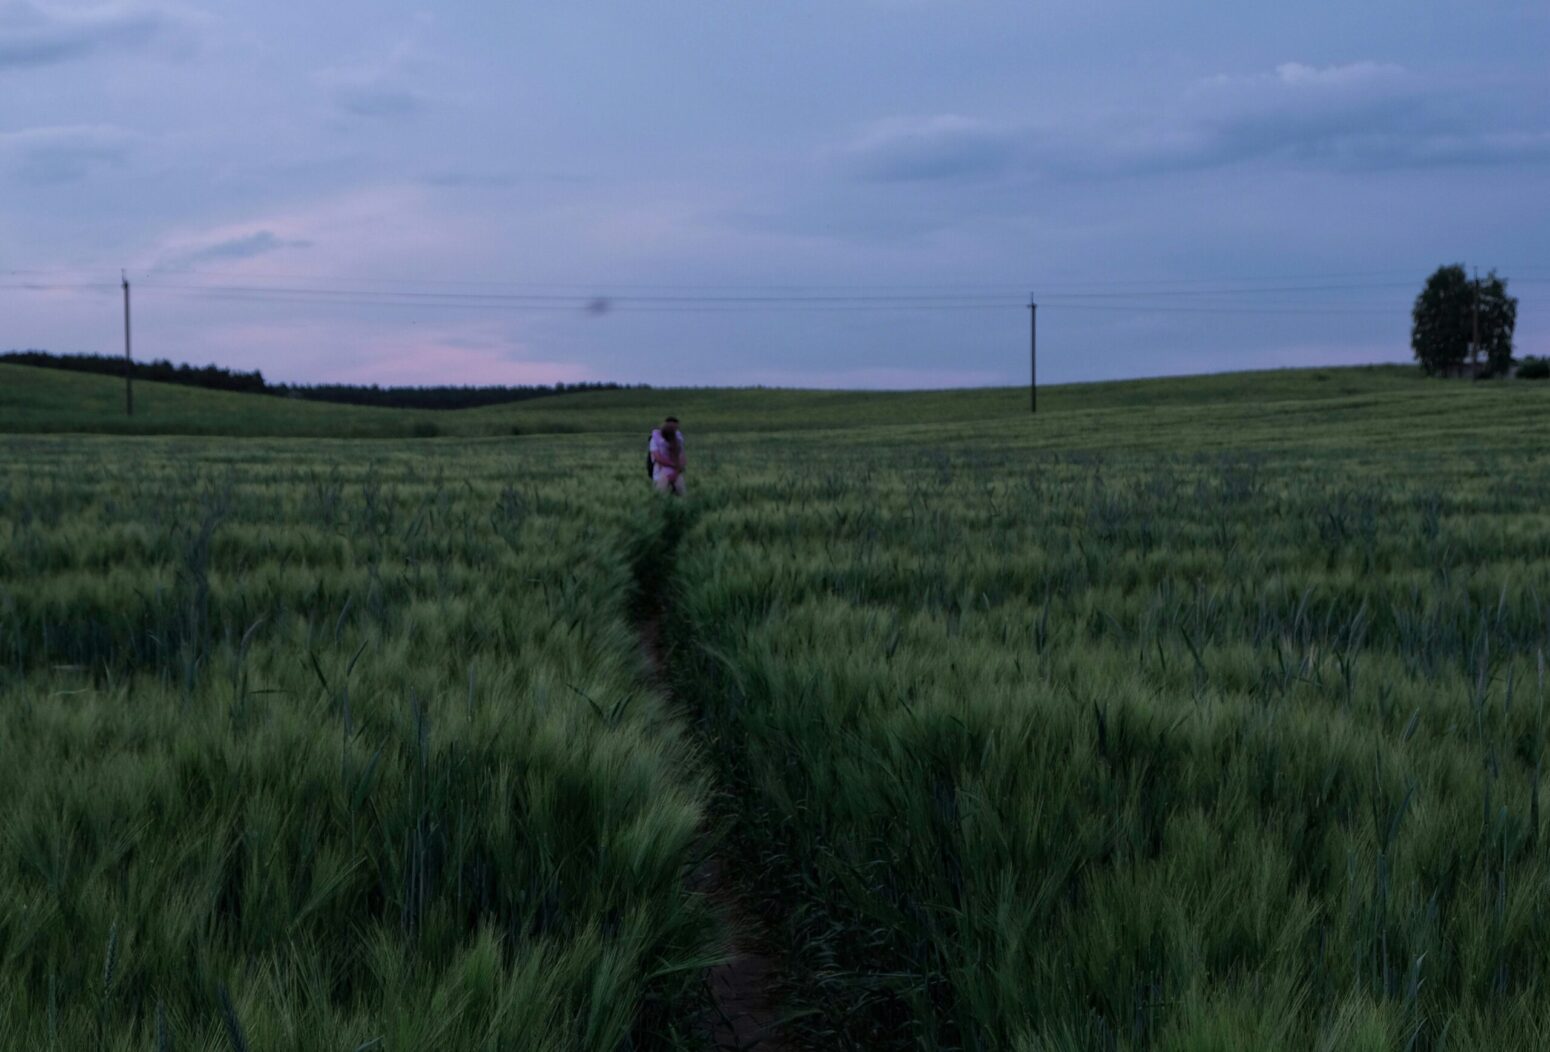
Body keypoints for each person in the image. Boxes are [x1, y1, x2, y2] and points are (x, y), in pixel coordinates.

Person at [649, 416, 686, 496]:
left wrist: (676, 470)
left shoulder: (678, 440)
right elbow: (658, 458)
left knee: (660, 496)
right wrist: (676, 467)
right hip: (664, 473)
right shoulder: (655, 439)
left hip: (669, 473)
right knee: (681, 495)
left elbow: (682, 458)